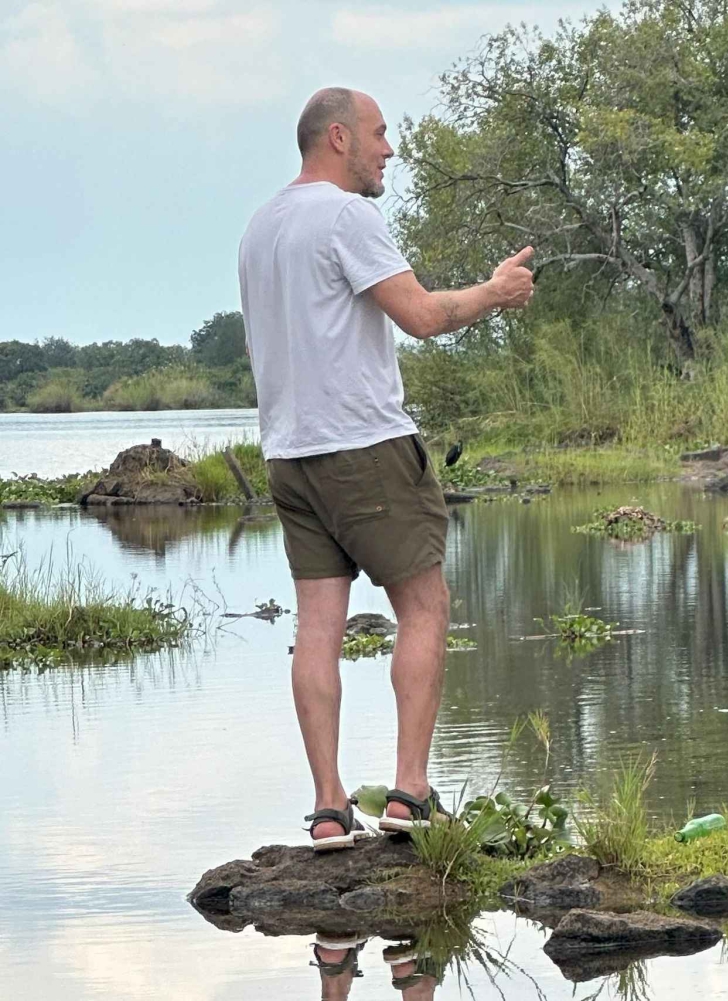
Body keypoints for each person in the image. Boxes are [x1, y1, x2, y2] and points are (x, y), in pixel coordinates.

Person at [238, 87, 535, 848]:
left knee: (317, 627)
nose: (389, 149)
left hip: (289, 454)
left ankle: (329, 807)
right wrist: (497, 292)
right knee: (425, 606)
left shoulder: (260, 226)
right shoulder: (346, 216)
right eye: (379, 134)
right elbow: (423, 316)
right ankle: (410, 793)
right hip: (364, 447)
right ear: (338, 137)